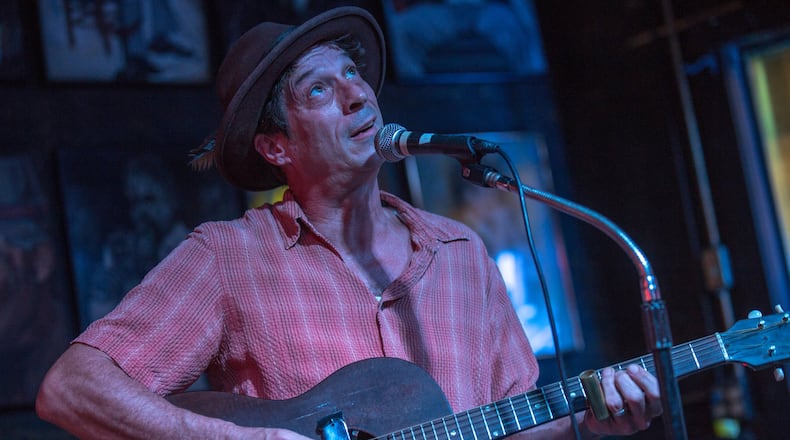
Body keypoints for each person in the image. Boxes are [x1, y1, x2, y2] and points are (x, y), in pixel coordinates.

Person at [36, 7, 662, 439]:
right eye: (317, 92)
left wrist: (590, 419)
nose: (357, 96)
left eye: (353, 75)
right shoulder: (230, 258)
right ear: (276, 148)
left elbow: (506, 424)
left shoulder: (461, 251)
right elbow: (71, 388)